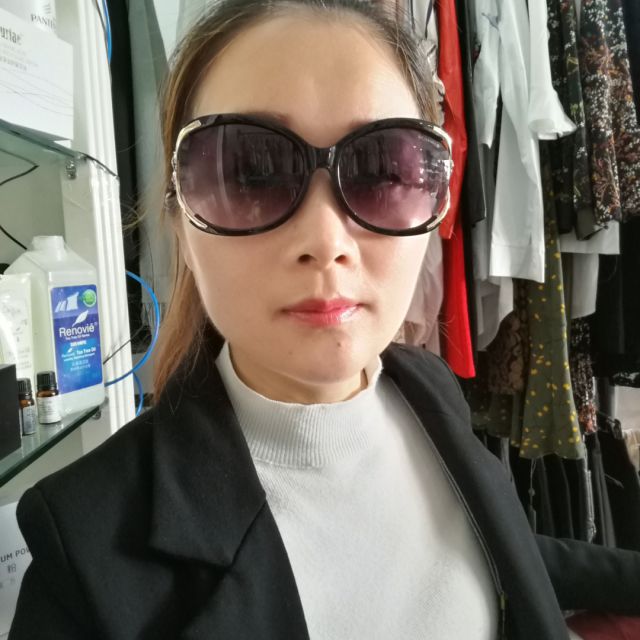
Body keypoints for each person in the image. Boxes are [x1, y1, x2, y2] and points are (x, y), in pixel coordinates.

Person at [8, 0, 640, 638]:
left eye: (383, 169)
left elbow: (492, 547)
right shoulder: (84, 551)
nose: (325, 239)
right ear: (181, 222)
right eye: (249, 174)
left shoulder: (427, 388)